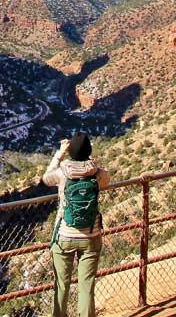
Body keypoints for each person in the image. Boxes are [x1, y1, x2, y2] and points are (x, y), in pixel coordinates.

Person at [43, 133, 110, 317]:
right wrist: (93, 162)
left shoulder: (61, 173)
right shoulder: (97, 174)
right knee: (86, 287)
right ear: (89, 151)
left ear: (70, 152)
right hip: (91, 235)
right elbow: (107, 179)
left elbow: (45, 178)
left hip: (64, 235)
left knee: (61, 286)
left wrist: (59, 154)